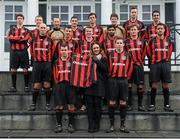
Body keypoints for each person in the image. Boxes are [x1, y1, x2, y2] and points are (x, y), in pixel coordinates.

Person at [106, 37, 133, 133]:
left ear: (123, 44)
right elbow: (108, 68)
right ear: (115, 44)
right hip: (113, 81)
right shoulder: (110, 54)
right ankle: (112, 125)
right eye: (117, 43)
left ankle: (122, 125)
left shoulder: (127, 55)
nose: (119, 44)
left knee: (123, 103)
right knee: (112, 102)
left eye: (121, 43)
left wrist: (126, 78)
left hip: (123, 81)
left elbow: (130, 68)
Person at [146, 23, 173, 112]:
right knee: (154, 85)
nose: (160, 30)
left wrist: (166, 60)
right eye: (158, 28)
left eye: (162, 28)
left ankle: (167, 105)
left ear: (164, 30)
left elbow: (169, 52)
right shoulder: (151, 40)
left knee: (165, 85)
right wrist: (154, 60)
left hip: (165, 64)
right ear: (156, 30)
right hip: (155, 64)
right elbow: (149, 52)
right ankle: (152, 104)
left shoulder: (168, 40)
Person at [28, 23, 55, 111]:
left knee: (47, 84)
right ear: (38, 28)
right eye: (41, 28)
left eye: (44, 28)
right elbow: (31, 51)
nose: (43, 29)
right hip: (37, 64)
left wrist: (48, 59)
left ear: (47, 29)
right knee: (36, 85)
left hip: (47, 64)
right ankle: (33, 104)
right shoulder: (34, 39)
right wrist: (36, 58)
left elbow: (53, 51)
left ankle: (47, 104)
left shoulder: (50, 40)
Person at [85, 42, 108, 133]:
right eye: (94, 48)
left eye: (97, 48)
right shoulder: (88, 58)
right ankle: (91, 124)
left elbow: (105, 69)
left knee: (97, 105)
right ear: (91, 49)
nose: (96, 49)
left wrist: (97, 61)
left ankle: (97, 124)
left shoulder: (104, 58)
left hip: (99, 84)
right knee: (89, 105)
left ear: (100, 48)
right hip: (89, 84)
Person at [53, 46, 76, 133]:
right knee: (59, 105)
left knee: (71, 106)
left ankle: (71, 125)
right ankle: (59, 125)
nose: (64, 51)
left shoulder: (72, 61)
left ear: (68, 51)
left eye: (65, 50)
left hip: (70, 85)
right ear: (60, 51)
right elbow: (55, 74)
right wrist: (56, 85)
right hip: (60, 85)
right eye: (62, 50)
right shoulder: (56, 61)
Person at [7, 14, 30, 92]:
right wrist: (20, 37)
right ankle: (13, 87)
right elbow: (10, 39)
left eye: (21, 18)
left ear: (23, 20)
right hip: (14, 52)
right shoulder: (11, 29)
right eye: (18, 18)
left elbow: (26, 39)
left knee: (25, 69)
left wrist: (15, 38)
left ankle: (26, 87)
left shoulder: (27, 30)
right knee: (13, 69)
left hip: (23, 51)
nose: (19, 20)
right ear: (16, 20)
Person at [126, 24, 146, 111]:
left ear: (138, 31)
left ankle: (140, 105)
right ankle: (129, 105)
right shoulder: (126, 42)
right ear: (129, 31)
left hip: (138, 65)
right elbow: (124, 54)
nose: (133, 31)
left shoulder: (142, 41)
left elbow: (144, 52)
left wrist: (140, 62)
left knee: (140, 86)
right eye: (132, 30)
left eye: (135, 29)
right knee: (129, 85)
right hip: (129, 67)